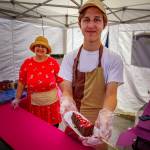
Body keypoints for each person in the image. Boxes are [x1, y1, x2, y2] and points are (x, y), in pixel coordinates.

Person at [59, 0, 123, 149]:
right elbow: (66, 88)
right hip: (72, 122)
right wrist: (67, 98)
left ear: (104, 24)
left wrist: (106, 113)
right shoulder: (70, 57)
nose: (91, 25)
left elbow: (111, 94)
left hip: (98, 127)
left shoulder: (114, 59)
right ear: (80, 24)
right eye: (86, 20)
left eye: (97, 19)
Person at [12, 36, 63, 128]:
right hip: (34, 105)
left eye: (43, 46)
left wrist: (67, 96)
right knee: (36, 128)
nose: (40, 48)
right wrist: (17, 98)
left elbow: (60, 80)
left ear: (47, 50)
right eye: (38, 46)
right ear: (34, 48)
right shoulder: (27, 63)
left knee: (53, 129)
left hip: (51, 105)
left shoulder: (53, 62)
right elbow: (21, 82)